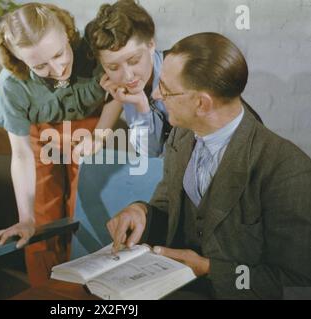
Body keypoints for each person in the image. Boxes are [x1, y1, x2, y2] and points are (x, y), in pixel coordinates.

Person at [106, 32, 311, 299]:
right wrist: (141, 212)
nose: (155, 94)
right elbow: (168, 205)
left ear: (202, 104)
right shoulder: (182, 134)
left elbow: (298, 283)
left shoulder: (288, 169)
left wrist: (208, 269)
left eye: (165, 89)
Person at [0, 3, 106, 286]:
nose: (58, 68)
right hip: (41, 135)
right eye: (40, 66)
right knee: (41, 212)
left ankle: (92, 290)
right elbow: (22, 154)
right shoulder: (11, 85)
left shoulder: (94, 51)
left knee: (87, 208)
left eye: (60, 53)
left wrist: (99, 136)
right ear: (20, 61)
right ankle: (47, 290)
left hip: (94, 128)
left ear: (68, 34)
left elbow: (118, 96)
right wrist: (25, 218)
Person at [76, 0, 171, 157]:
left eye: (134, 61)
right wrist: (97, 137)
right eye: (113, 67)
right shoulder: (125, 89)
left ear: (151, 44)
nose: (128, 76)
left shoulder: (181, 75)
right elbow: (150, 153)